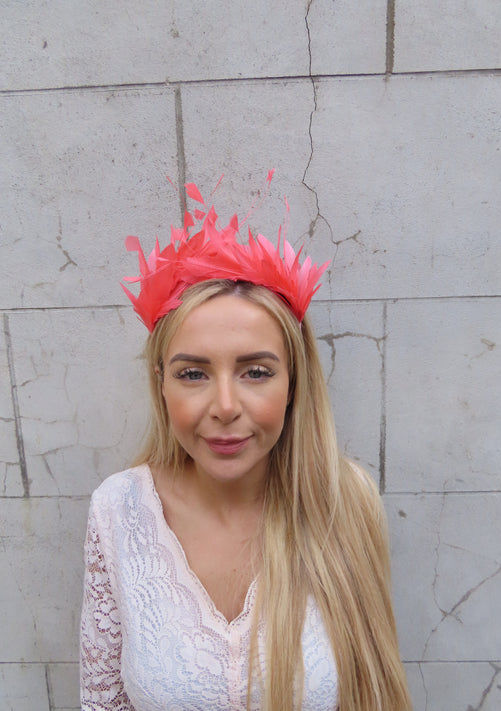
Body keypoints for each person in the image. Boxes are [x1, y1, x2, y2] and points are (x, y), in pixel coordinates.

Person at [80, 173, 412, 711]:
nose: (226, 406)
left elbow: (371, 694)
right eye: (193, 374)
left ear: (293, 384)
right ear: (160, 383)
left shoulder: (343, 500)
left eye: (256, 371)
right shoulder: (118, 511)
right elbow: (103, 701)